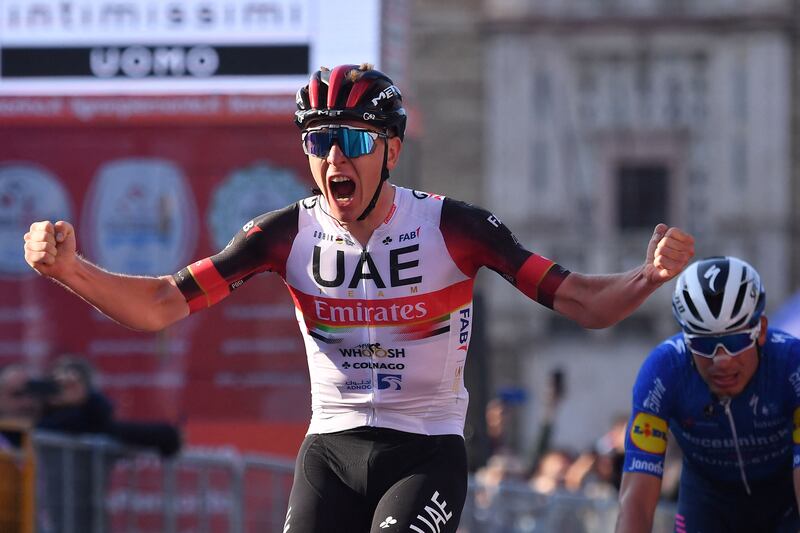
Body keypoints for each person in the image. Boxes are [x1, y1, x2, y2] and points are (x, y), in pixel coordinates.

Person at [24, 63, 694, 533]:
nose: (333, 158)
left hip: (426, 450)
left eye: (352, 140)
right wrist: (71, 268)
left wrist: (647, 278)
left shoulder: (453, 226)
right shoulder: (285, 232)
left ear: (392, 149)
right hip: (330, 451)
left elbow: (581, 301)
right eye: (318, 140)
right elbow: (164, 303)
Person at [615, 256, 800, 533]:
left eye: (735, 341)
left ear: (760, 331)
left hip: (784, 502)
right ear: (686, 339)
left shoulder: (791, 364)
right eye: (704, 344)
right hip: (707, 503)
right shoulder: (664, 372)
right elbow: (636, 503)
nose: (721, 360)